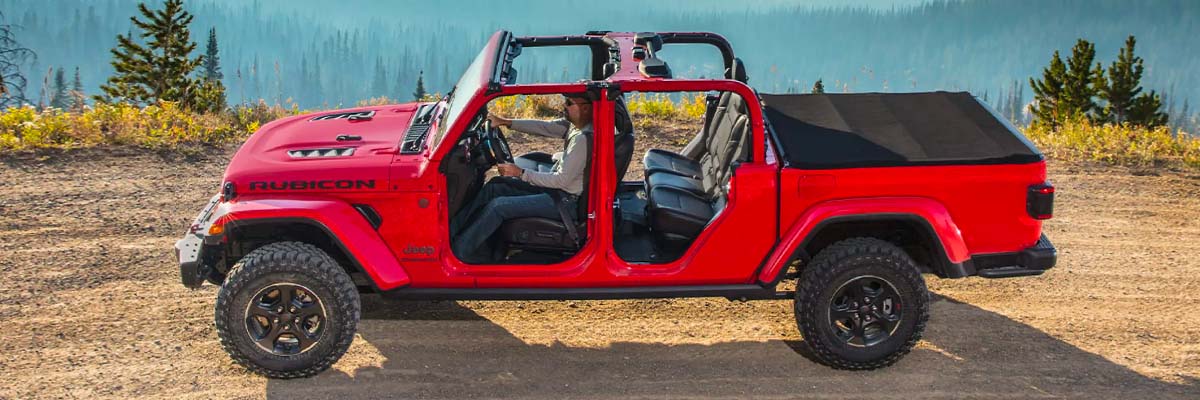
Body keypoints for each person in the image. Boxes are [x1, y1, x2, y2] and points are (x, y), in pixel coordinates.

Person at [449, 92, 593, 263]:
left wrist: (520, 173)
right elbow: (544, 127)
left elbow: (561, 181)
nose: (564, 106)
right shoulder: (575, 127)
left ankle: (458, 254)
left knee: (498, 206)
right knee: (495, 186)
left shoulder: (583, 140)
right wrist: (506, 122)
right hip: (559, 192)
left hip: (565, 201)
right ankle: (450, 234)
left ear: (585, 108)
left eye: (569, 103)